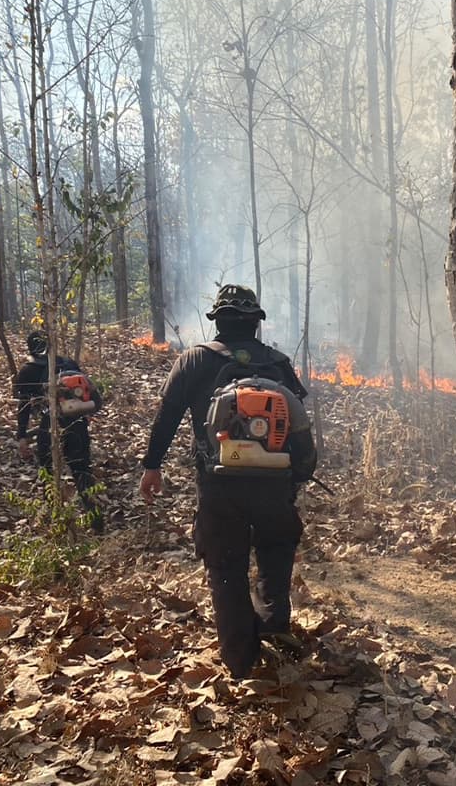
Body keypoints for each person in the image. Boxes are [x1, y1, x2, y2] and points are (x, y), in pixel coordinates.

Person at [138, 285, 316, 679]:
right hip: (275, 483)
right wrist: (296, 478)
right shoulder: (278, 364)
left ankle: (240, 660)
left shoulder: (194, 361)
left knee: (226, 566)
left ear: (216, 321)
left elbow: (166, 418)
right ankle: (273, 629)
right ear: (256, 322)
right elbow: (301, 429)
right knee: (275, 552)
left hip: (219, 485)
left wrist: (152, 466)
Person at [14, 330, 103, 532]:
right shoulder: (69, 364)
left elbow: (24, 405)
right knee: (83, 473)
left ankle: (56, 526)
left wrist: (21, 436)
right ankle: (97, 525)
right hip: (78, 425)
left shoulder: (28, 370)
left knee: (47, 473)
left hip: (49, 427)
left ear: (30, 348)